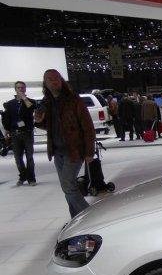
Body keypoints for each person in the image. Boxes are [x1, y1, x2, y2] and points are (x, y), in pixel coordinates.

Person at [33, 69, 95, 218]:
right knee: (67, 188)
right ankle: (76, 221)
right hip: (57, 152)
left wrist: (89, 152)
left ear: (61, 80)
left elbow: (88, 127)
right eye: (50, 79)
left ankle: (91, 218)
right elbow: (49, 126)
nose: (54, 81)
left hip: (74, 150)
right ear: (45, 83)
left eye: (56, 78)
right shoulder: (47, 102)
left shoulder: (73, 100)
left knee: (68, 186)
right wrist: (39, 121)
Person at [2, 81, 37, 186]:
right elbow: (7, 118)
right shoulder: (10, 104)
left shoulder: (30, 101)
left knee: (29, 157)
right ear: (15, 89)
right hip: (15, 133)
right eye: (18, 88)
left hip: (27, 132)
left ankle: (31, 179)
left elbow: (31, 109)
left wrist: (24, 99)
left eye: (22, 87)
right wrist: (7, 130)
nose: (20, 89)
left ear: (25, 89)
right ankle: (22, 176)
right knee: (18, 157)